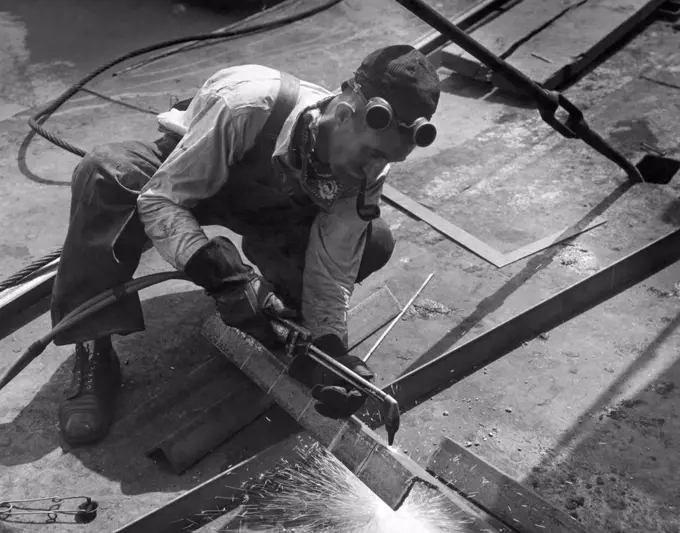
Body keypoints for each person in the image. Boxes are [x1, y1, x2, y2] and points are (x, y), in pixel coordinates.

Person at [50, 44, 441, 446]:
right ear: (343, 115)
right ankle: (93, 347)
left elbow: (335, 264)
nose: (374, 170)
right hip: (192, 176)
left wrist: (330, 348)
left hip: (269, 204)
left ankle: (284, 315)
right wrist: (219, 274)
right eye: (372, 155)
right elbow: (162, 199)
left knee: (373, 241)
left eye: (387, 160)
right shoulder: (246, 105)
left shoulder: (371, 161)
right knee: (106, 173)